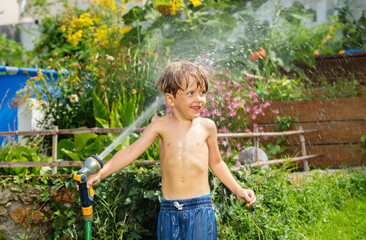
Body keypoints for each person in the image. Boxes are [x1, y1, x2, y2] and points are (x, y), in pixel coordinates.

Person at [86, 60, 256, 239]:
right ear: (170, 99)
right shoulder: (159, 127)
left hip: (200, 207)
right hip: (169, 209)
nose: (199, 99)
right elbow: (130, 151)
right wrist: (101, 173)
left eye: (202, 93)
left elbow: (217, 162)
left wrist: (238, 190)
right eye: (191, 93)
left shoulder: (207, 127)